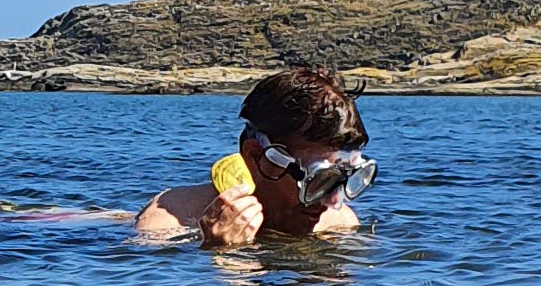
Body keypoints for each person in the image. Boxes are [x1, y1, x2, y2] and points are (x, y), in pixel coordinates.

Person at [134, 67, 376, 248]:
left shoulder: (340, 223)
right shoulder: (167, 221)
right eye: (319, 180)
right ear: (256, 156)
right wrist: (216, 250)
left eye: (343, 179)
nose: (333, 201)